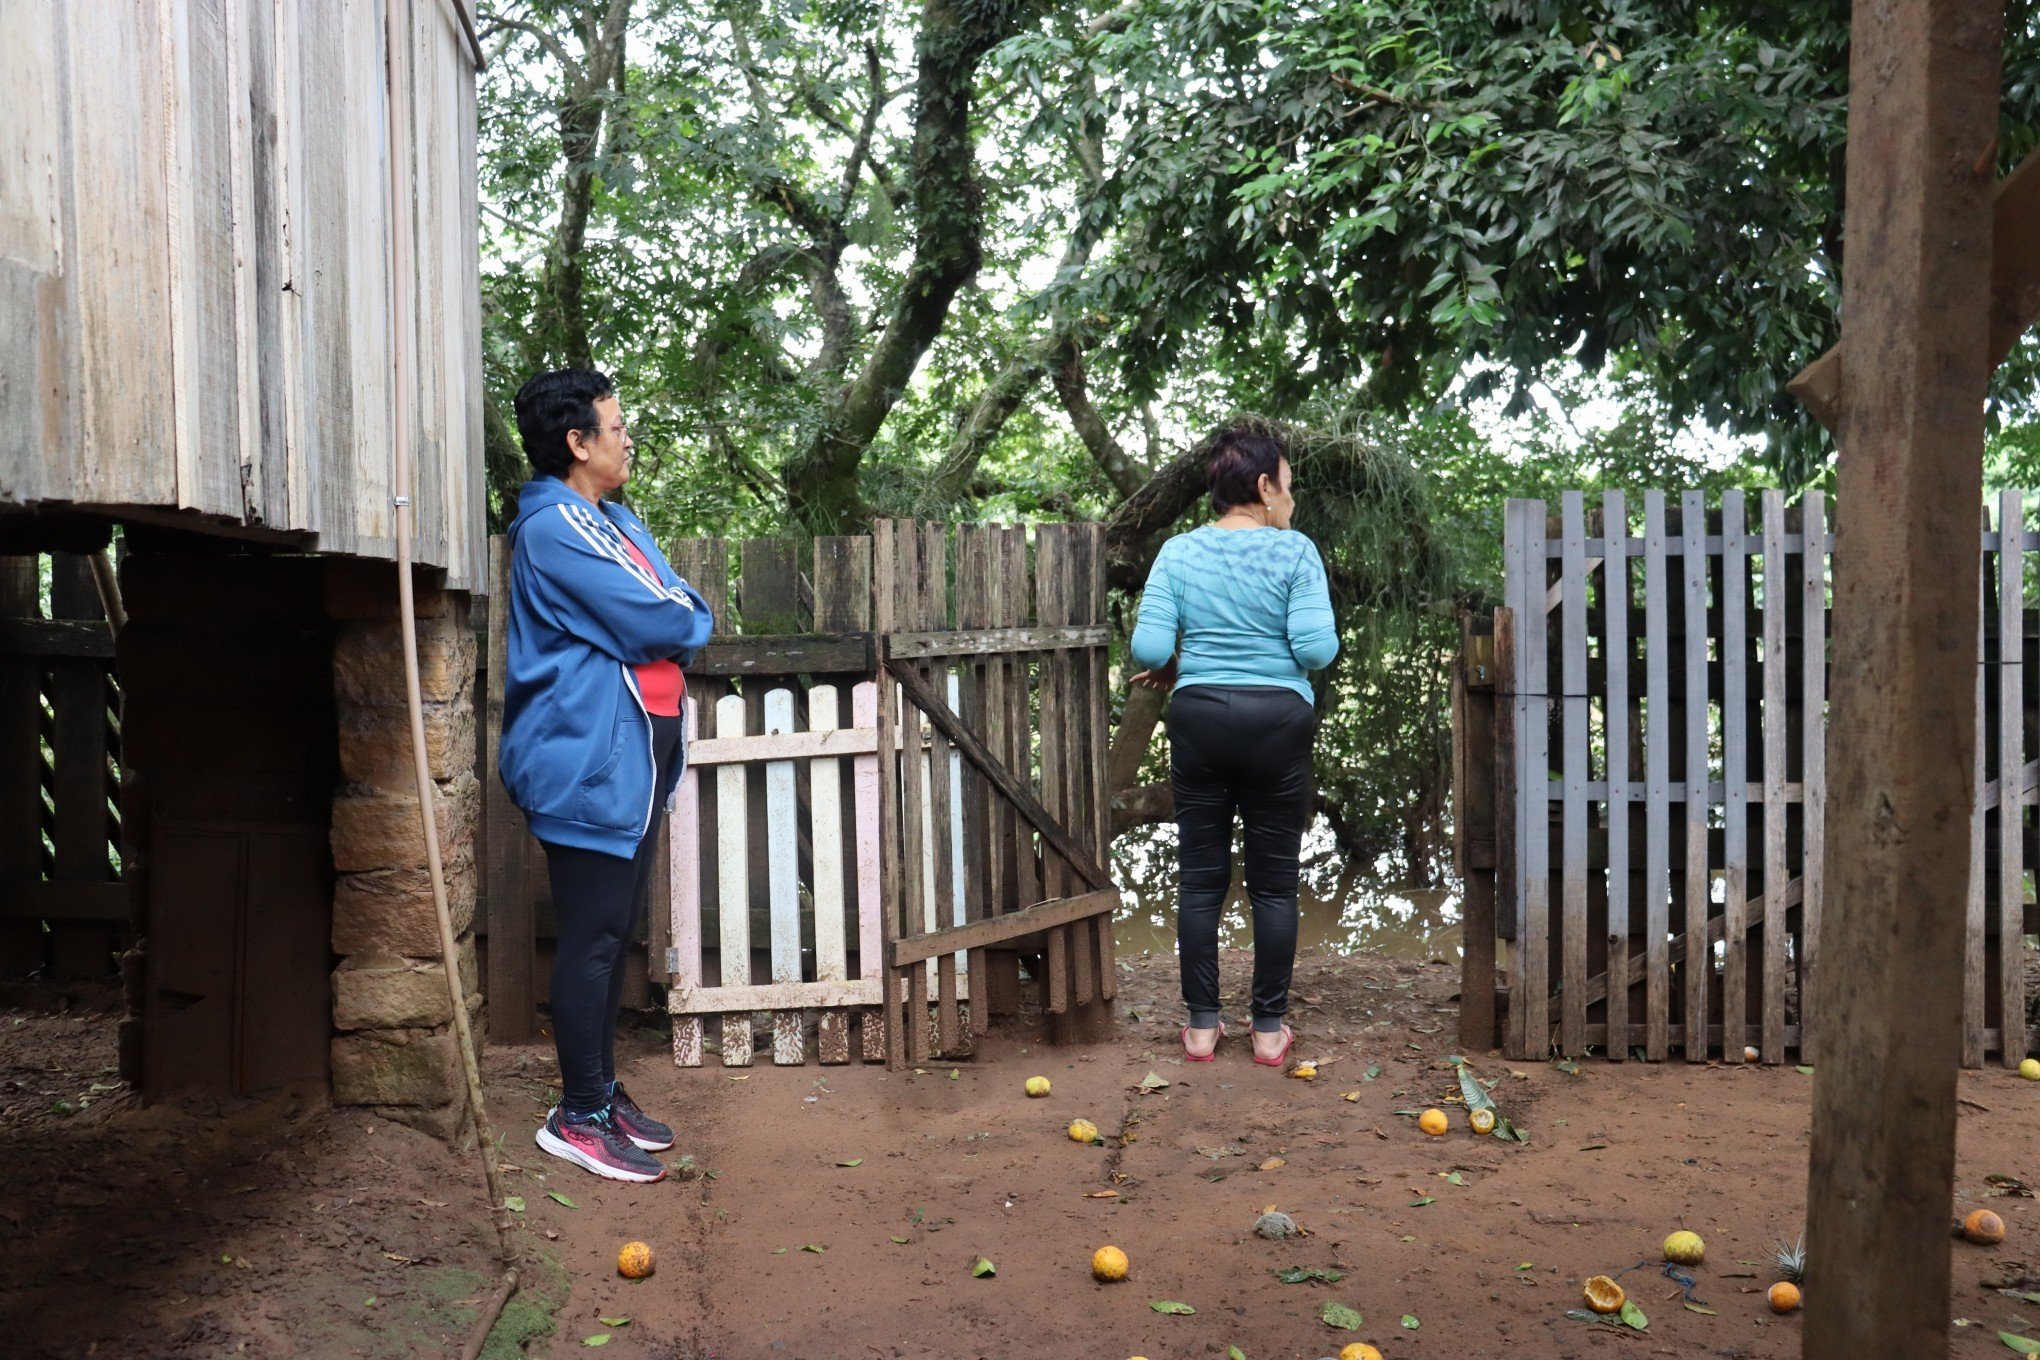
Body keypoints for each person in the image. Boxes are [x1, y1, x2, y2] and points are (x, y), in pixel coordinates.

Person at [499, 368, 712, 1182]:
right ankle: (578, 1114)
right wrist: (674, 619)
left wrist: (674, 617)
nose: (628, 438)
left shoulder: (613, 520)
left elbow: (675, 605)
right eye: (615, 427)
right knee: (590, 941)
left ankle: (600, 1089)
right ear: (577, 442)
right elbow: (655, 617)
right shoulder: (555, 527)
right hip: (587, 760)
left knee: (612, 933)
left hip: (633, 759)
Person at [1128, 423, 1338, 1067]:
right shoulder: (1296, 552)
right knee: (1274, 884)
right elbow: (1316, 651)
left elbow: (1149, 651)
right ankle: (1269, 1031)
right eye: (1289, 487)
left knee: (1200, 880)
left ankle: (1200, 1026)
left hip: (1200, 718)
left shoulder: (1178, 553)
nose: (1293, 502)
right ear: (1264, 485)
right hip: (1277, 722)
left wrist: (1188, 657)